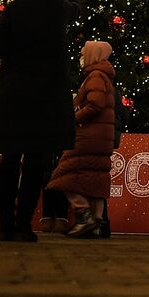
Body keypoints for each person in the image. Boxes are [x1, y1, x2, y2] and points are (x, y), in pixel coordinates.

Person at [0, 0, 76, 242]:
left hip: (15, 94)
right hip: (48, 96)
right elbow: (78, 6)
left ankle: (5, 225)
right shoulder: (60, 10)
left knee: (10, 159)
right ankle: (24, 224)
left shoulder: (14, 10)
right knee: (37, 162)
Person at [45, 41, 115, 238]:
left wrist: (72, 118)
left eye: (84, 54)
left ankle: (85, 217)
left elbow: (95, 104)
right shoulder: (104, 76)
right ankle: (96, 224)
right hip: (100, 138)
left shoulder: (95, 76)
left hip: (88, 136)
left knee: (64, 175)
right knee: (95, 179)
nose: (80, 58)